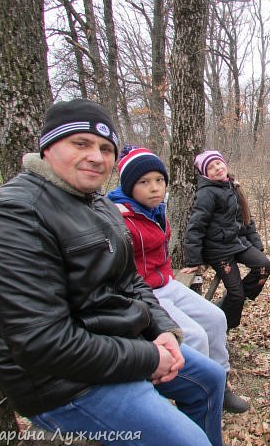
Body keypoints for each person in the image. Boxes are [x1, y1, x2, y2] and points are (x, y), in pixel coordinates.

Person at [0, 99, 226, 446]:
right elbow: (43, 344)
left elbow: (132, 281)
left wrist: (163, 330)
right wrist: (148, 357)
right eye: (80, 143)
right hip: (63, 383)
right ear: (47, 146)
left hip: (115, 345)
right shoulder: (14, 217)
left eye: (106, 149)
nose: (96, 157)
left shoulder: (97, 204)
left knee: (210, 380)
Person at [107, 145, 249, 414]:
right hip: (144, 292)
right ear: (128, 186)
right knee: (193, 336)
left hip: (166, 282)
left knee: (216, 319)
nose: (154, 188)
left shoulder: (156, 210)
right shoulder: (118, 217)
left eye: (159, 180)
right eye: (144, 182)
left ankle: (222, 385)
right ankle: (202, 399)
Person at [182, 150, 270, 330]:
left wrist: (256, 246)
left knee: (263, 266)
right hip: (218, 250)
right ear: (205, 173)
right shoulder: (207, 193)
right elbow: (196, 226)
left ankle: (231, 302)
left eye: (218, 163)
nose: (217, 168)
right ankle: (224, 329)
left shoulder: (232, 186)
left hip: (238, 243)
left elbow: (246, 219)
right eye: (211, 167)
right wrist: (194, 259)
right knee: (236, 294)